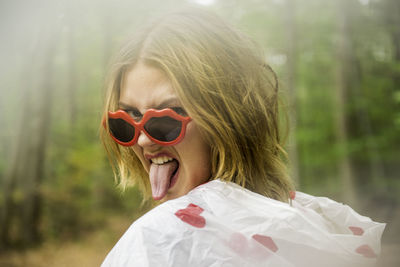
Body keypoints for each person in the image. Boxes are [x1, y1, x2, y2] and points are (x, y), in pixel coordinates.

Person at [100, 8, 384, 267]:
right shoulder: (323, 227)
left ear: (228, 118)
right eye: (127, 120)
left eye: (167, 117)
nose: (143, 140)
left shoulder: (155, 241)